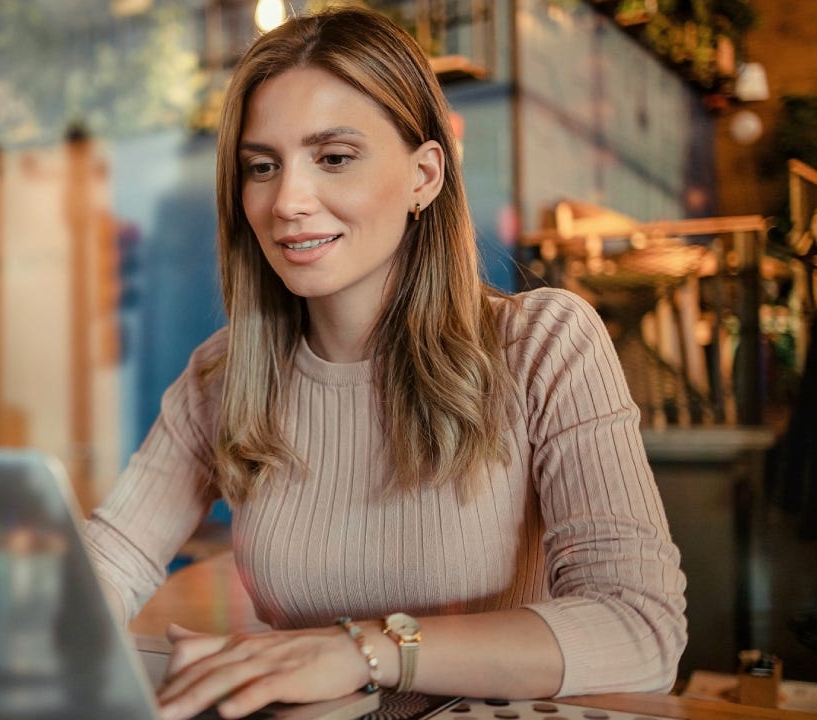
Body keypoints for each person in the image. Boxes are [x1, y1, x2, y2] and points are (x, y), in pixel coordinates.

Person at [81, 7, 687, 719]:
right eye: (262, 167)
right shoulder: (226, 374)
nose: (288, 202)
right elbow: (110, 559)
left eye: (334, 157)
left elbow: (641, 629)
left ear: (424, 175)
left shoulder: (545, 343)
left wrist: (358, 651)